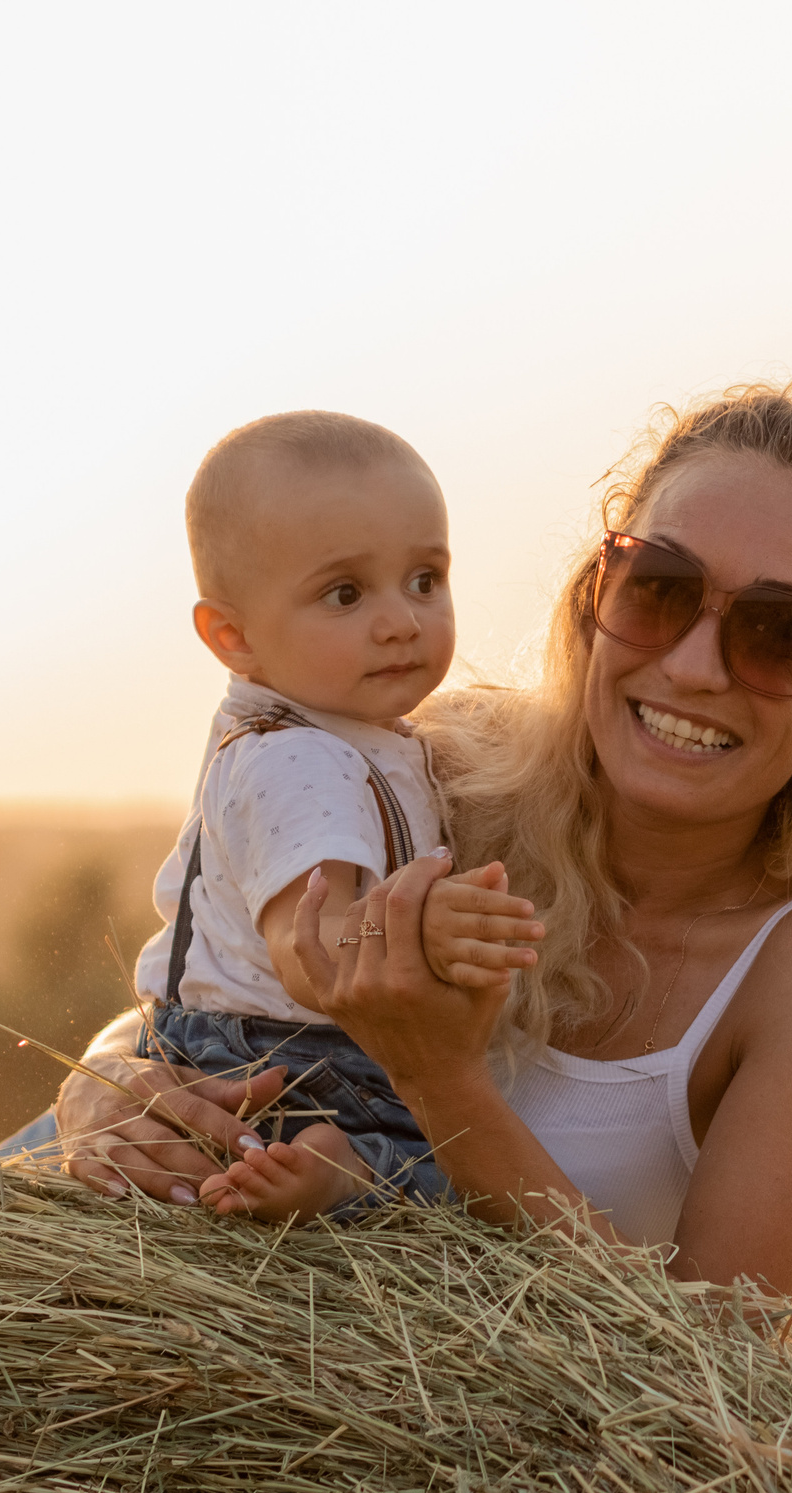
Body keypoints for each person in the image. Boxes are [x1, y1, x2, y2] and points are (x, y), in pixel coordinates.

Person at [58, 379, 792, 1297]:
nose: (694, 667)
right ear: (597, 595)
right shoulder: (438, 774)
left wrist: (439, 1077)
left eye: (782, 633)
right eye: (660, 589)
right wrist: (97, 1086)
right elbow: (221, 972)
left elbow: (718, 1369)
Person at [119, 409, 520, 1227]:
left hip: (286, 1049)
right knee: (469, 1187)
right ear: (232, 636)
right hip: (272, 1060)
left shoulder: (353, 733)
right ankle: (336, 1165)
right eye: (345, 593)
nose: (401, 619)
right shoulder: (293, 757)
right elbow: (309, 948)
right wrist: (423, 931)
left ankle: (330, 1164)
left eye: (425, 580)